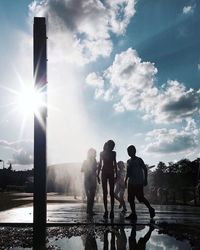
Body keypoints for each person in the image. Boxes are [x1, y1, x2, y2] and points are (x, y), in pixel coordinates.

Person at [125, 145, 155, 220]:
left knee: (140, 198)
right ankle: (133, 213)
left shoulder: (139, 160)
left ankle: (151, 208)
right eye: (128, 151)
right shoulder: (128, 161)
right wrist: (125, 181)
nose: (129, 153)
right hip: (131, 182)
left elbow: (145, 169)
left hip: (138, 182)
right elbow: (128, 173)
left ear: (134, 151)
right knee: (130, 198)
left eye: (131, 151)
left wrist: (145, 179)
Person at [97, 140, 117, 219]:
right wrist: (97, 175)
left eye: (113, 146)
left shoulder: (113, 153)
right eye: (111, 146)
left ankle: (111, 211)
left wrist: (117, 174)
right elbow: (100, 164)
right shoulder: (102, 153)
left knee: (111, 193)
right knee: (105, 193)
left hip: (110, 173)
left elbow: (115, 163)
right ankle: (106, 210)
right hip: (105, 173)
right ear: (108, 145)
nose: (112, 148)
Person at [81, 148, 98, 216]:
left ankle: (89, 210)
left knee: (91, 196)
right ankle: (89, 210)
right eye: (94, 153)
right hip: (89, 180)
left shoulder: (92, 161)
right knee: (90, 196)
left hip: (90, 180)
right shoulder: (88, 161)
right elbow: (82, 170)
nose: (95, 154)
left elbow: (82, 170)